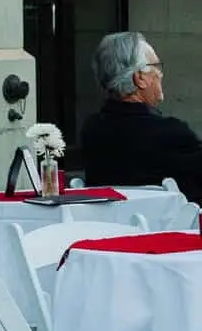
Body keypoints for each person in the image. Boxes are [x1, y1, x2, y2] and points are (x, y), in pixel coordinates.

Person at [81, 31, 202, 204]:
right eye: (156, 66)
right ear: (140, 78)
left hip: (112, 227)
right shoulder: (171, 134)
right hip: (171, 227)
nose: (161, 74)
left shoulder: (91, 129)